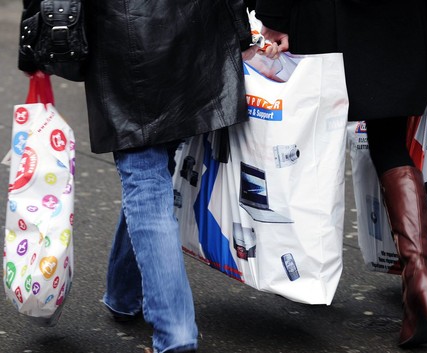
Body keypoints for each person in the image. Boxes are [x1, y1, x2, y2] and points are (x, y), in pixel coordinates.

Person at [18, 1, 257, 352]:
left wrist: (32, 41)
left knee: (144, 180)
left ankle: (175, 332)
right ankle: (123, 294)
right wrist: (240, 30)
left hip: (122, 36)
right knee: (152, 171)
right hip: (199, 27)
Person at [252, 0, 427, 348]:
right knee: (389, 140)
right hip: (401, 14)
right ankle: (418, 275)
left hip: (325, 15)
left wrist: (275, 16)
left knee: (306, 137)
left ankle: (300, 269)